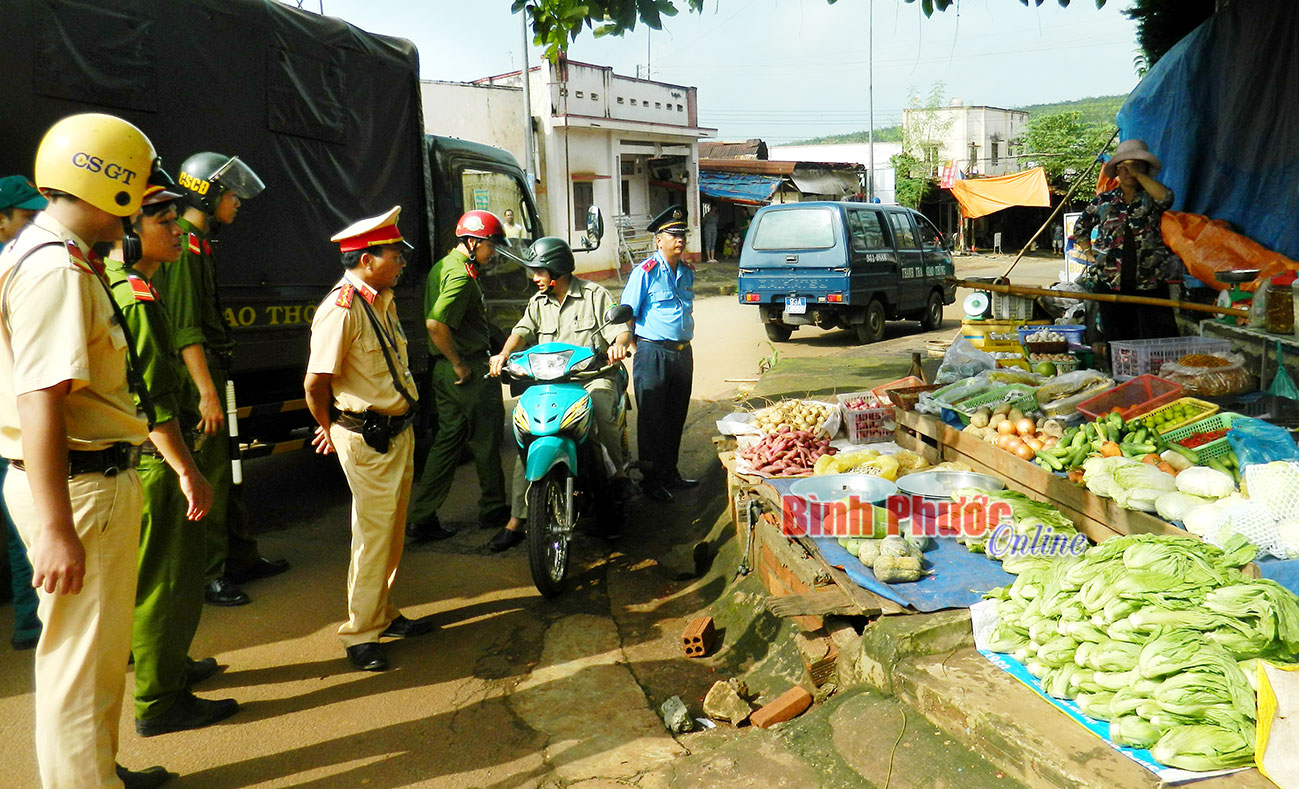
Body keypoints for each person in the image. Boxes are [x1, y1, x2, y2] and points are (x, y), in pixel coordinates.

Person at [0, 113, 173, 788]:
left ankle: (98, 771)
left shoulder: (47, 253)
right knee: (76, 665)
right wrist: (54, 528)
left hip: (85, 480)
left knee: (98, 657)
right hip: (78, 485)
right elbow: (39, 400)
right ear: (115, 185)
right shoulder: (56, 270)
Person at [107, 181, 239, 737]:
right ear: (132, 233)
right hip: (157, 458)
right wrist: (186, 467)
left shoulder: (138, 285)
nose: (177, 231)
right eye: (163, 222)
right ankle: (161, 701)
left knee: (161, 572)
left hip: (142, 455)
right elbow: (153, 397)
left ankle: (170, 664)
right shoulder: (134, 293)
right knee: (169, 577)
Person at [153, 151, 288, 607]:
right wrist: (206, 394)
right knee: (212, 469)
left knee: (231, 469)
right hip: (199, 375)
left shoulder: (200, 242)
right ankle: (211, 574)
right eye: (231, 195)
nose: (238, 203)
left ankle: (242, 556)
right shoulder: (185, 246)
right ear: (207, 195)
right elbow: (186, 327)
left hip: (214, 367)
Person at [305, 206, 435, 672]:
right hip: (368, 438)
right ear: (365, 259)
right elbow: (315, 384)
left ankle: (382, 612)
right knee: (373, 535)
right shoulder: (339, 310)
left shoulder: (381, 299)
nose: (401, 262)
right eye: (393, 255)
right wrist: (329, 428)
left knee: (392, 530)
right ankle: (360, 633)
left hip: (396, 432)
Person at [486, 237, 633, 551]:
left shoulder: (594, 294)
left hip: (591, 379)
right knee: (528, 433)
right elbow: (520, 331)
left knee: (599, 411)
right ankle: (516, 520)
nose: (534, 277)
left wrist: (620, 343)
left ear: (557, 270)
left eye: (539, 271)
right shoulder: (538, 302)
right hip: (551, 383)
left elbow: (619, 328)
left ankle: (618, 477)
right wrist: (503, 354)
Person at [406, 210, 510, 542]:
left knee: (446, 443)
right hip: (468, 370)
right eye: (490, 245)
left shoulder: (442, 267)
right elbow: (436, 324)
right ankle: (494, 508)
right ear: (473, 242)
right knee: (487, 438)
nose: (492, 253)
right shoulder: (462, 276)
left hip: (442, 374)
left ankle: (422, 516)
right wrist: (458, 363)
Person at [620, 205, 698, 503]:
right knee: (653, 419)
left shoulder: (687, 272)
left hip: (682, 352)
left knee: (676, 415)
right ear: (659, 240)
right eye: (673, 234)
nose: (680, 239)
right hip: (652, 352)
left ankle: (670, 473)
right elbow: (628, 311)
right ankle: (651, 481)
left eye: (682, 234)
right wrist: (632, 342)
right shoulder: (645, 273)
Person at [1072, 139, 1182, 342]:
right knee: (1118, 338)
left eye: (1137, 167)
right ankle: (1120, 374)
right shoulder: (1104, 201)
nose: (1130, 173)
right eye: (1125, 168)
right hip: (1111, 282)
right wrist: (1090, 255)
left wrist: (1137, 172)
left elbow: (1166, 198)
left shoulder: (1150, 198)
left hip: (1151, 281)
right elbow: (1080, 228)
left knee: (1158, 337)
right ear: (1117, 172)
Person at [0, 176, 46, 652]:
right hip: (12, 418)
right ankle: (32, 625)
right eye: (26, 217)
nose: (35, 225)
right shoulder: (16, 268)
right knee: (24, 531)